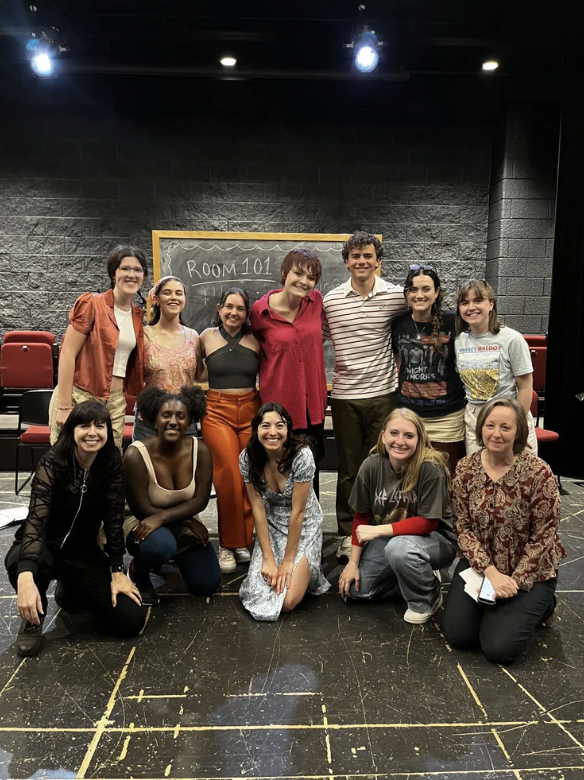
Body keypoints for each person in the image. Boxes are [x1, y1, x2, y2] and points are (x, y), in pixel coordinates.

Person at [5, 401, 148, 657]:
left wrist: (117, 569)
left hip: (81, 551)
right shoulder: (52, 462)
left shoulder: (111, 461)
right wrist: (26, 576)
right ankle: (32, 621)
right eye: (85, 425)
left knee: (130, 620)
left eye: (99, 426)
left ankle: (71, 588)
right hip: (44, 545)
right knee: (18, 561)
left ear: (107, 431)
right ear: (72, 430)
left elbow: (114, 517)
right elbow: (36, 521)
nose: (92, 432)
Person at [442, 398, 564, 664]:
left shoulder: (538, 473)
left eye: (505, 427)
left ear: (518, 431)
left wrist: (514, 582)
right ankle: (501, 610)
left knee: (499, 648)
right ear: (481, 428)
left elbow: (545, 535)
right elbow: (461, 527)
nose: (496, 433)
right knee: (459, 636)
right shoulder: (465, 468)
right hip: (482, 566)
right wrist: (491, 574)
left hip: (530, 569)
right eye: (490, 425)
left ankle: (545, 604)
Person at [323, 231, 407, 560]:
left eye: (368, 255)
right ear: (346, 262)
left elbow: (422, 309)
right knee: (349, 468)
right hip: (344, 396)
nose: (362, 261)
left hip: (385, 395)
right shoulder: (331, 301)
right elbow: (319, 336)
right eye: (355, 256)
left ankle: (378, 529)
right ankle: (348, 531)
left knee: (384, 466)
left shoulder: (395, 296)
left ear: (378, 261)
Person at [338, 407, 457, 624]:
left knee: (399, 549)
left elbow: (428, 523)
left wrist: (378, 531)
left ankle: (427, 597)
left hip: (435, 541)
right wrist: (352, 563)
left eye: (408, 435)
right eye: (394, 433)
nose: (399, 441)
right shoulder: (371, 465)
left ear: (419, 439)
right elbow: (362, 516)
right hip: (390, 539)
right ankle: (418, 575)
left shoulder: (430, 467)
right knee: (356, 591)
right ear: (383, 435)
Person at [123, 385, 221, 605]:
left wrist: (185, 521)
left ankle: (166, 559)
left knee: (207, 584)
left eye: (181, 416)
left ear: (190, 421)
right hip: (141, 520)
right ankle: (139, 570)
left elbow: (200, 500)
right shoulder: (135, 455)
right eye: (166, 415)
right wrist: (185, 521)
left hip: (178, 519)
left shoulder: (201, 451)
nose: (173, 422)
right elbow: (141, 509)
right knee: (161, 545)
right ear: (154, 419)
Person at [49, 245, 148, 449]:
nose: (132, 274)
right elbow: (67, 353)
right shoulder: (92, 303)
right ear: (113, 273)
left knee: (109, 466)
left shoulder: (137, 315)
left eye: (138, 270)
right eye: (125, 268)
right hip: (80, 394)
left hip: (115, 401)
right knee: (68, 463)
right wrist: (65, 406)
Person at [238, 402, 330, 621]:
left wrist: (289, 561)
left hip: (304, 524)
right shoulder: (247, 458)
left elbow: (298, 513)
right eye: (265, 426)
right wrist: (268, 559)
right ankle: (287, 567)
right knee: (260, 588)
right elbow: (258, 510)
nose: (272, 432)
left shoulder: (302, 456)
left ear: (288, 429)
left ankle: (304, 568)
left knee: (287, 601)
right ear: (256, 429)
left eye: (279, 426)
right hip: (270, 523)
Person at [251, 249, 328, 497]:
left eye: (311, 276)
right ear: (284, 273)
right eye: (298, 273)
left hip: (312, 406)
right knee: (279, 471)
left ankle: (308, 529)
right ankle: (279, 529)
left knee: (310, 471)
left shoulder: (316, 301)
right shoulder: (259, 312)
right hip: (279, 407)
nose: (304, 281)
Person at [200, 288, 261, 574]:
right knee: (229, 476)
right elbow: (192, 372)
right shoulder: (205, 338)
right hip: (216, 411)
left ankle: (243, 541)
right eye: (229, 307)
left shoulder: (257, 340)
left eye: (240, 309)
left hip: (251, 409)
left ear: (247, 313)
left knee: (250, 474)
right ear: (219, 308)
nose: (234, 313)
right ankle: (227, 543)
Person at [392, 264, 466, 474]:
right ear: (406, 294)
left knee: (445, 478)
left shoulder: (454, 322)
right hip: (408, 417)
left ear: (437, 292)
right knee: (409, 481)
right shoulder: (397, 324)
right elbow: (399, 363)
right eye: (413, 289)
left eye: (426, 289)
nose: (419, 295)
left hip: (447, 419)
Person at [454, 279, 537, 456]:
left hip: (510, 415)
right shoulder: (459, 341)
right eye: (465, 302)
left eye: (478, 300)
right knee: (479, 477)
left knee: (518, 478)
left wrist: (518, 427)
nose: (471, 307)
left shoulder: (512, 339)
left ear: (491, 304)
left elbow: (525, 387)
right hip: (476, 417)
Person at [133, 275, 201, 441]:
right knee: (146, 466)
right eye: (167, 293)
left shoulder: (193, 337)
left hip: (184, 418)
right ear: (156, 299)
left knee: (184, 466)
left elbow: (199, 374)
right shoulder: (143, 335)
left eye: (179, 293)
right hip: (149, 420)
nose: (173, 297)